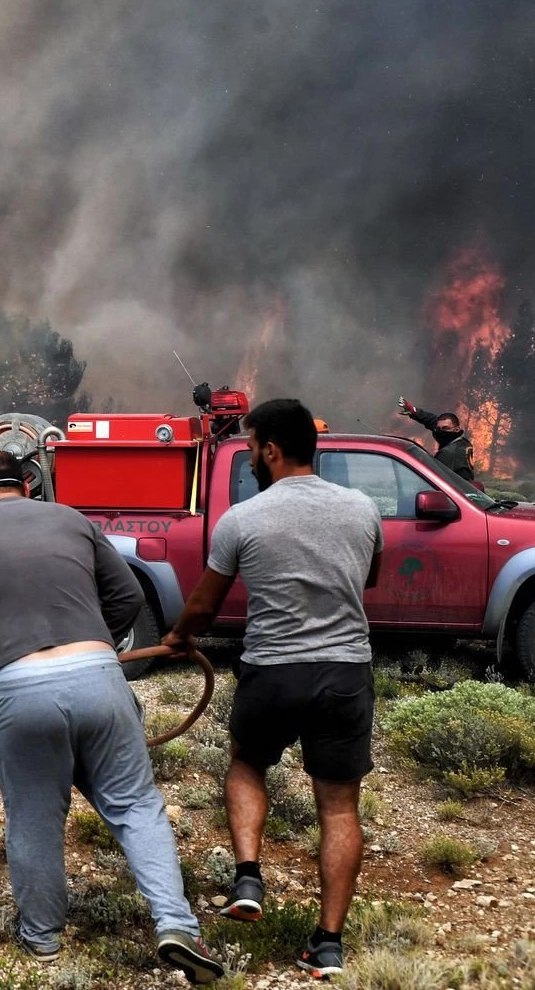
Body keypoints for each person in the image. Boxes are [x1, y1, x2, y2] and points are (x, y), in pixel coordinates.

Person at [0, 451, 224, 983]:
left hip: (20, 689)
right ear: (29, 487)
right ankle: (177, 924)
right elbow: (128, 595)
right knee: (136, 806)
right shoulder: (72, 518)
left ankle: (42, 940)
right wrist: (98, 645)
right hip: (100, 679)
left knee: (36, 818)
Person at [163, 399, 382, 980]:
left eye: (253, 445)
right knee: (338, 806)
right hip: (343, 673)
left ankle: (248, 876)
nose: (251, 457)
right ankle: (327, 944)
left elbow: (205, 606)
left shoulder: (243, 518)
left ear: (272, 449)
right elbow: (370, 576)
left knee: (246, 765)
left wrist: (179, 636)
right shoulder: (361, 509)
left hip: (273, 671)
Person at [397, 396, 475, 480]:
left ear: (457, 429)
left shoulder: (447, 453)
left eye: (445, 428)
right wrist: (414, 412)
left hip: (457, 489)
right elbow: (433, 421)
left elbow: (434, 479)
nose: (441, 432)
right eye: (439, 429)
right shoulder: (463, 442)